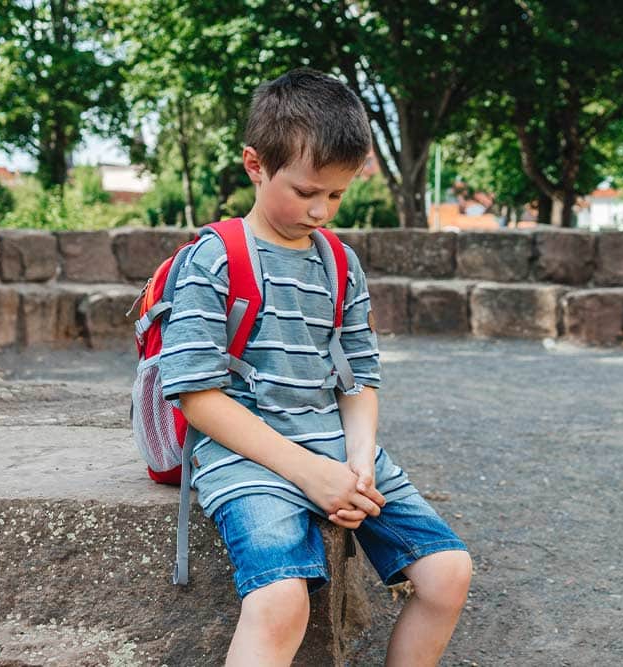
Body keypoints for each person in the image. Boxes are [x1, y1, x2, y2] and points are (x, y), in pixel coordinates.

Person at [158, 68, 471, 666]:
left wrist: (356, 465)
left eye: (337, 194)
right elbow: (196, 394)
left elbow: (359, 377)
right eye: (306, 192)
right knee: (280, 602)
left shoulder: (340, 263)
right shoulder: (213, 259)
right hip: (246, 455)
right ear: (255, 164)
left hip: (335, 447)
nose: (321, 210)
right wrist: (311, 474)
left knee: (448, 573)